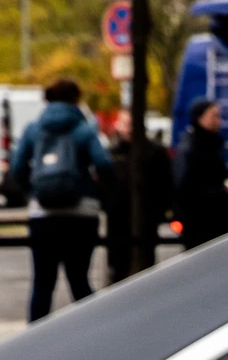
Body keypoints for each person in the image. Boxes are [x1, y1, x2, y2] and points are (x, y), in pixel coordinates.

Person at [10, 79, 114, 323]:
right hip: (81, 214)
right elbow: (104, 164)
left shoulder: (33, 129)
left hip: (43, 214)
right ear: (76, 100)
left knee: (42, 283)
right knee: (79, 280)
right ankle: (93, 333)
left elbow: (17, 167)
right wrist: (96, 190)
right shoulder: (84, 130)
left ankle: (35, 339)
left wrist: (32, 191)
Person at [104, 110, 174, 284]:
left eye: (132, 124)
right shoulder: (111, 153)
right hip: (118, 220)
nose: (129, 129)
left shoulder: (155, 152)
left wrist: (158, 212)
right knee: (118, 269)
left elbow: (166, 185)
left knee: (145, 267)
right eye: (125, 124)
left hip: (146, 220)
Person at [173, 99, 228, 249]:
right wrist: (221, 192)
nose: (219, 121)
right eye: (214, 116)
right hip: (200, 221)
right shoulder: (192, 147)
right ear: (200, 118)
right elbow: (187, 186)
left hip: (214, 219)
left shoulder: (212, 144)